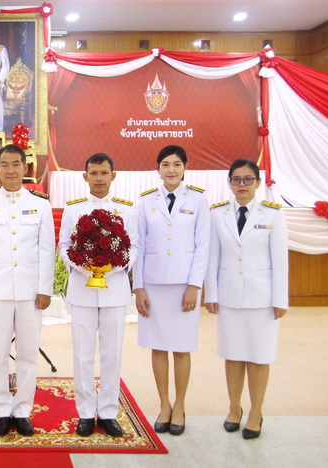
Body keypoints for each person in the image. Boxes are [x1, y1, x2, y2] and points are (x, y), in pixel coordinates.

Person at [0, 144, 55, 437]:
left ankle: (22, 410)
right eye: (4, 165)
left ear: (25, 168)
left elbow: (46, 250)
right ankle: (1, 410)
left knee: (28, 354)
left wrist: (45, 289)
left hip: (31, 292)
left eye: (16, 164)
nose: (10, 170)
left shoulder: (40, 204)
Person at [205, 159, 288, 440]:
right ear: (229, 183)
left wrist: (280, 299)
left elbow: (280, 260)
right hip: (229, 297)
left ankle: (256, 412)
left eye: (248, 179)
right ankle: (234, 408)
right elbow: (212, 257)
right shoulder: (218, 213)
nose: (242, 184)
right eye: (236, 179)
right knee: (233, 355)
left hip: (262, 299)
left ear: (258, 183)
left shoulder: (272, 214)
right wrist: (211, 294)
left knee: (259, 357)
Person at [57, 153, 138, 437]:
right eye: (94, 173)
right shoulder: (73, 209)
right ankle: (85, 412)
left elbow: (134, 245)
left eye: (104, 173)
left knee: (112, 353)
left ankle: (107, 412)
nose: (99, 178)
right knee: (82, 354)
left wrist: (114, 266)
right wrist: (84, 266)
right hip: (82, 288)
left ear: (113, 176)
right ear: (85, 176)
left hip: (115, 288)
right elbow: (64, 245)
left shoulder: (126, 209)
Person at [133, 145, 210, 436]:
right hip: (153, 285)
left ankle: (180, 405)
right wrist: (138, 287)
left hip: (183, 286)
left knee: (181, 347)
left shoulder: (198, 200)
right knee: (158, 345)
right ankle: (164, 405)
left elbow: (203, 246)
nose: (171, 169)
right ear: (158, 168)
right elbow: (138, 246)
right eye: (165, 164)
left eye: (177, 164)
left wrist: (194, 285)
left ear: (185, 167)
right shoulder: (146, 201)